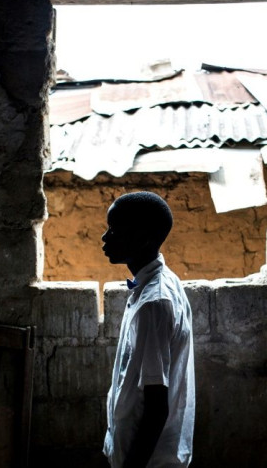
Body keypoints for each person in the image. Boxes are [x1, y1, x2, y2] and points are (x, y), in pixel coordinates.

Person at [101, 191, 195, 468]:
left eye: (115, 230)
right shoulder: (156, 284)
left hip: (147, 460)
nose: (105, 238)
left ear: (143, 238)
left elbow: (156, 408)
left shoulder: (154, 303)